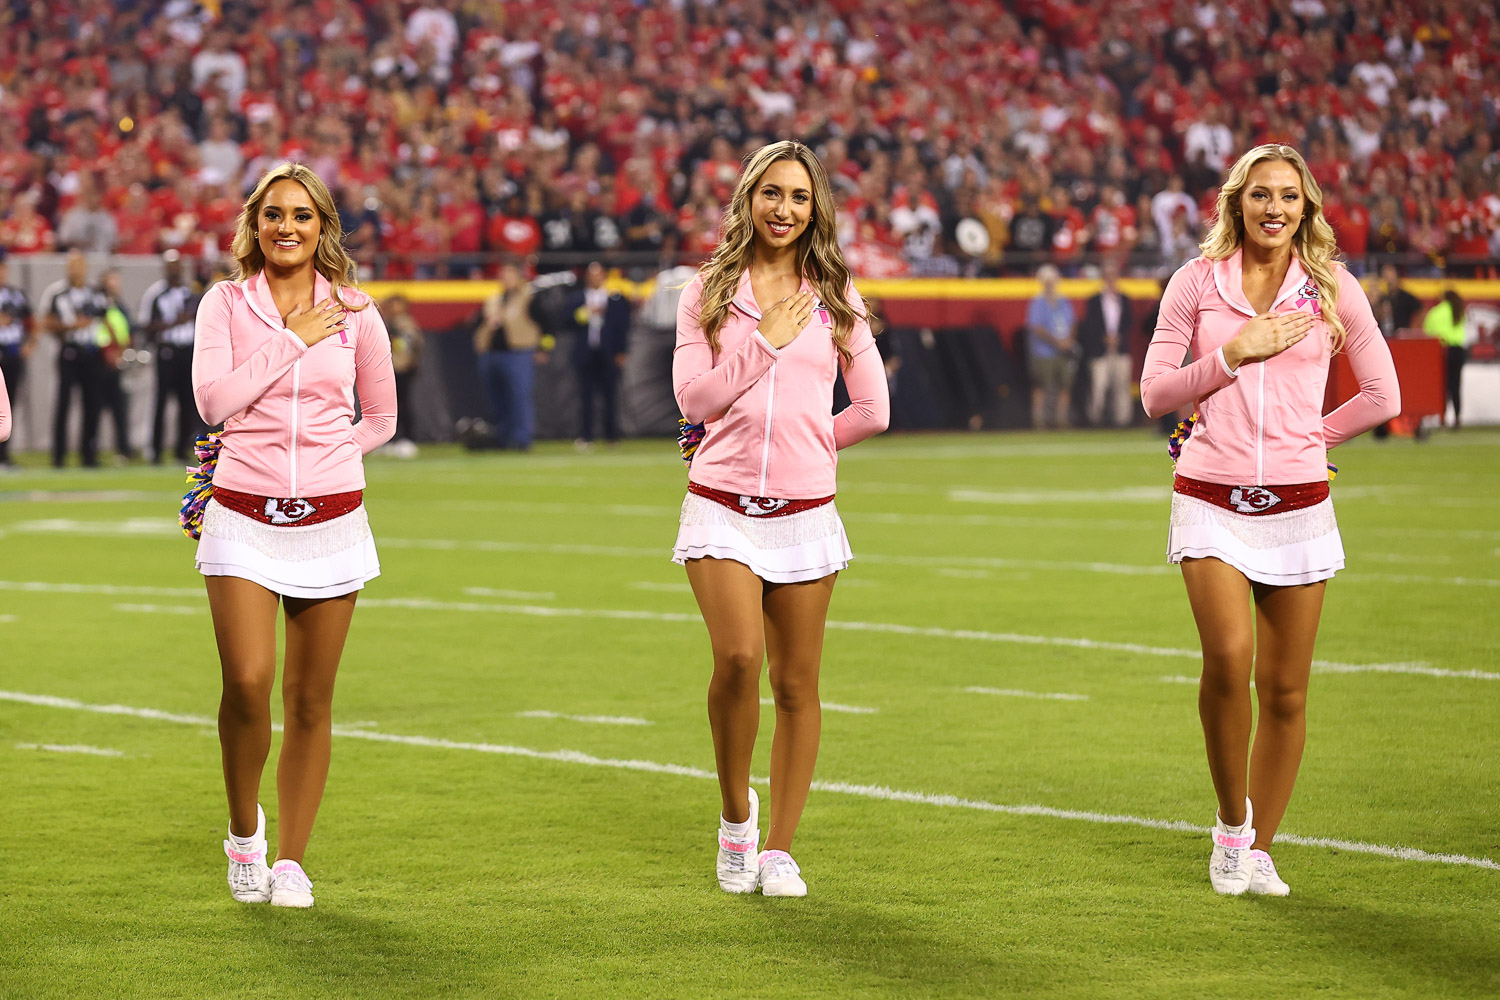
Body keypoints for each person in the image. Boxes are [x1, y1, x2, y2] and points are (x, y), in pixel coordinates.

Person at [1140, 144, 1399, 898]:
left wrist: (1311, 439)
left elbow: (1383, 396)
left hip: (1299, 504)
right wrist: (1231, 355)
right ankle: (1231, 826)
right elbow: (1155, 394)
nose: (1274, 208)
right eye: (1260, 194)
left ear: (1306, 206)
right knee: (1228, 658)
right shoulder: (1195, 282)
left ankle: (1258, 849)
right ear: (1236, 203)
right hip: (1209, 494)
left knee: (1285, 691)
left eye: (1288, 195)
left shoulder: (1333, 287)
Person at [672, 139, 889, 898]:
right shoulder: (706, 291)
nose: (784, 209)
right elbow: (694, 401)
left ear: (815, 208)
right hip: (720, 503)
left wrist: (810, 446)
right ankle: (737, 817)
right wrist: (764, 342)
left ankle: (779, 850)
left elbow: (874, 409)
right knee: (738, 657)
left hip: (806, 511)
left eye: (799, 196)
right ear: (748, 199)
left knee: (797, 683)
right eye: (771, 193)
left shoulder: (836, 293)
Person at [191, 163, 396, 909]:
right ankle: (244, 832)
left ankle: (291, 861)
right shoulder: (224, 303)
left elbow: (382, 417)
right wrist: (289, 338)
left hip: (333, 520)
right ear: (255, 225)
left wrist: (337, 455)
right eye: (274, 214)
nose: (287, 227)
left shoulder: (357, 311)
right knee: (247, 683)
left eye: (302, 215)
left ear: (322, 228)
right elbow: (214, 402)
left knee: (310, 699)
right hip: (242, 512)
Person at [40, 250, 109, 468]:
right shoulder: (56, 293)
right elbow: (47, 322)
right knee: (63, 404)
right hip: (69, 351)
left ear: (85, 267)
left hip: (92, 352)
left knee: (92, 404)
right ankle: (59, 456)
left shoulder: (96, 293)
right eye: (72, 265)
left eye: (79, 265)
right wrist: (71, 326)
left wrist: (111, 345)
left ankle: (89, 455)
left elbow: (107, 319)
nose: (76, 270)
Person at [139, 250, 205, 464]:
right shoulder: (155, 294)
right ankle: (156, 449)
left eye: (177, 265)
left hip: (188, 351)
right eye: (170, 266)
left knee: (187, 403)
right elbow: (146, 325)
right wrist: (173, 323)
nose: (174, 270)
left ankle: (182, 449)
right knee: (161, 401)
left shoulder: (192, 293)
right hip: (166, 351)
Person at [472, 261, 544, 450]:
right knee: (497, 399)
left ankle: (521, 439)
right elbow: (477, 323)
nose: (506, 278)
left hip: (518, 353)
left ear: (519, 277)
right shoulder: (494, 299)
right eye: (503, 275)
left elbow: (545, 322)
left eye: (510, 274)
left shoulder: (528, 297)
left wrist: (543, 348)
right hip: (491, 354)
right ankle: (502, 438)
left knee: (519, 397)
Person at [569, 261, 630, 448]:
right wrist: (584, 313)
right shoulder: (578, 298)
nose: (595, 278)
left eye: (598, 274)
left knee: (610, 396)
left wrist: (621, 351)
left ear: (604, 276)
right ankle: (586, 436)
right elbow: (565, 320)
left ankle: (611, 436)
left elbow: (622, 326)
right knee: (585, 397)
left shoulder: (614, 298)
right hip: (586, 352)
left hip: (608, 353)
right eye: (592, 275)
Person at [1078, 259, 1136, 428]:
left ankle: (1122, 420)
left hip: (1120, 348)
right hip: (1100, 349)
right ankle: (1095, 419)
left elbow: (1129, 322)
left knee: (1121, 386)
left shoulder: (1124, 299)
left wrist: (1118, 337)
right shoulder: (1094, 300)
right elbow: (1090, 325)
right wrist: (1103, 337)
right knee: (1099, 385)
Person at [1025, 264, 1078, 429]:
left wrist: (1068, 340)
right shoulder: (1038, 302)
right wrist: (1057, 342)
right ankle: (1039, 420)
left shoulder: (1064, 300)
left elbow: (1072, 322)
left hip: (1064, 350)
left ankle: (1061, 419)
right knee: (1041, 386)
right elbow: (1036, 327)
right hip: (1044, 352)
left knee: (1064, 386)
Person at [96, 270, 137, 463]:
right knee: (94, 409)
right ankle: (90, 452)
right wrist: (108, 351)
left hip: (118, 362)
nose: (115, 285)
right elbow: (99, 330)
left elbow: (128, 329)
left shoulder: (119, 306)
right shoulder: (97, 305)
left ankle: (123, 449)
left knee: (120, 409)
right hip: (100, 362)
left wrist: (124, 348)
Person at [0, 254, 36, 466]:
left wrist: (29, 345)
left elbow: (32, 322)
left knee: (7, 406)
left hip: (12, 354)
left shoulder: (16, 295)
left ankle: (4, 455)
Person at [382, 294, 425, 454]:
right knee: (389, 405)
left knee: (403, 404)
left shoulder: (405, 323)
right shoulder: (388, 322)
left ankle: (407, 438)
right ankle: (390, 439)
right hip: (390, 367)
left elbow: (407, 345)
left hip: (402, 367)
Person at [1422, 289, 1467, 428]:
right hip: (1458, 350)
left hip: (1443, 350)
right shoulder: (1459, 311)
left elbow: (1427, 330)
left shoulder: (1436, 312)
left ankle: (1443, 418)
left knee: (1443, 385)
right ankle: (1457, 417)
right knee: (1456, 385)